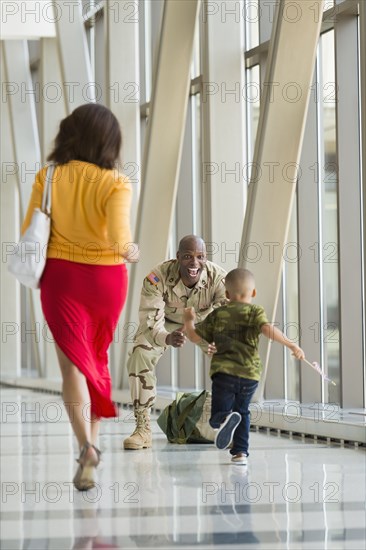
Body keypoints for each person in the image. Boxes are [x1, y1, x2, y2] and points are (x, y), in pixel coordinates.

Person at [21, 103, 138, 490]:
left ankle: (86, 447)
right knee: (96, 359)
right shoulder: (116, 182)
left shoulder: (49, 176)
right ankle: (94, 443)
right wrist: (129, 249)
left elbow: (30, 229)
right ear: (110, 141)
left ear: (68, 134)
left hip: (60, 279)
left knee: (72, 367)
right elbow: (120, 236)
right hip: (106, 280)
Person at [183, 268, 305, 465]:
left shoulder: (218, 314)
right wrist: (291, 344)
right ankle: (240, 453)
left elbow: (195, 336)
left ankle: (223, 420)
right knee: (243, 412)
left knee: (217, 418)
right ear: (253, 293)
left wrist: (189, 321)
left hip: (224, 374)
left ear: (227, 294)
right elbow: (268, 330)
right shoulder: (255, 311)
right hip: (250, 375)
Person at [123, 235, 227, 450]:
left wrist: (197, 330)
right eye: (188, 256)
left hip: (202, 323)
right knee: (140, 353)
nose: (194, 262)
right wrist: (167, 338)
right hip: (165, 324)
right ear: (178, 257)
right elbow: (150, 320)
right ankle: (142, 429)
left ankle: (229, 420)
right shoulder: (157, 277)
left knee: (231, 351)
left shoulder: (218, 277)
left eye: (200, 257)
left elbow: (227, 313)